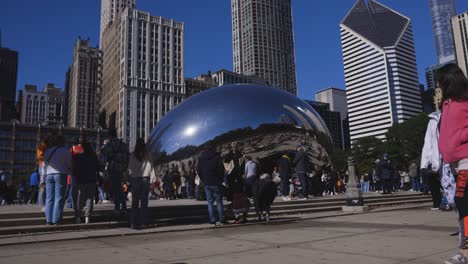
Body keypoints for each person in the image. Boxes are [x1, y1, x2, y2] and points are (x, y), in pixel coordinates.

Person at [436, 63, 468, 264]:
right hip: (455, 163)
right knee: (463, 205)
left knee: (463, 203)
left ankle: (465, 253)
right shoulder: (447, 104)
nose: (438, 85)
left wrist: (460, 138)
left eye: (441, 81)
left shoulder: (465, 101)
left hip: (466, 160)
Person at [43, 133, 72, 225]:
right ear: (62, 142)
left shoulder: (47, 151)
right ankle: (56, 220)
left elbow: (44, 165)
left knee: (49, 198)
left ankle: (48, 220)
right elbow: (69, 164)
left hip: (48, 175)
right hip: (60, 174)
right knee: (59, 198)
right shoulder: (64, 151)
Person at [100, 129, 129, 215]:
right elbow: (128, 156)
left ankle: (119, 207)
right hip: (121, 169)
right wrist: (125, 167)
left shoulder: (109, 144)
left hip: (113, 168)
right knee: (118, 187)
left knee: (116, 188)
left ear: (109, 136)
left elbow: (102, 152)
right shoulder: (123, 144)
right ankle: (122, 206)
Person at [197, 143, 226, 226]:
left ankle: (212, 220)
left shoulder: (201, 158)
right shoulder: (217, 157)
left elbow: (199, 170)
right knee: (219, 202)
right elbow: (221, 169)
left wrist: (203, 179)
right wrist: (220, 179)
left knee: (210, 202)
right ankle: (221, 220)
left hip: (206, 182)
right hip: (216, 181)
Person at [128, 138, 153, 229]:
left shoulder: (132, 155)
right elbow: (151, 166)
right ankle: (143, 222)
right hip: (145, 179)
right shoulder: (147, 155)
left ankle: (133, 223)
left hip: (135, 179)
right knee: (144, 202)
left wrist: (131, 176)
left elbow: (130, 168)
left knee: (134, 202)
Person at [72, 141, 99, 224]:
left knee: (80, 199)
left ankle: (78, 217)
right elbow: (97, 167)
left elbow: (74, 168)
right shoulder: (93, 156)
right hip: (91, 179)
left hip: (81, 180)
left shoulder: (78, 156)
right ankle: (87, 217)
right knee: (89, 199)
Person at [421, 110, 443, 209]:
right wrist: (424, 164)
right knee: (434, 184)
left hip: (452, 155)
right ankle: (438, 203)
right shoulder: (433, 120)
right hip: (436, 158)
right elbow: (428, 143)